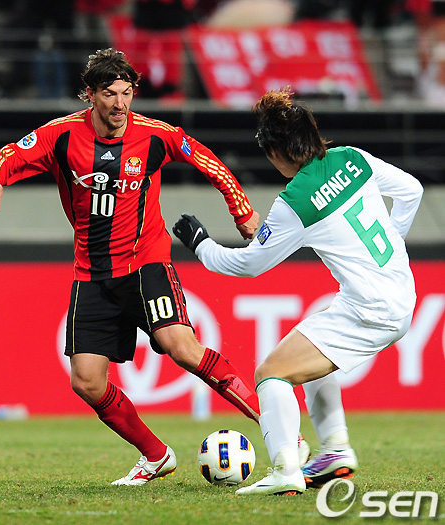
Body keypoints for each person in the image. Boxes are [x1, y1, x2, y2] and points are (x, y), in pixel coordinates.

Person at [0, 48, 267, 486]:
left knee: (180, 346)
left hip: (145, 261)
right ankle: (156, 456)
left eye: (126, 93)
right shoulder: (60, 136)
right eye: (109, 94)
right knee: (86, 382)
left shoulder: (155, 135)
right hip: (91, 272)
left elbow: (210, 162)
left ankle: (280, 431)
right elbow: (8, 155)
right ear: (89, 95)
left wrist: (241, 210)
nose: (119, 103)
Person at [173, 86, 423, 495]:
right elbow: (411, 190)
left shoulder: (295, 202)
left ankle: (286, 469)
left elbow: (249, 265)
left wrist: (201, 245)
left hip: (371, 309)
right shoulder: (352, 158)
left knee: (270, 374)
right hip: (398, 293)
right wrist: (394, 242)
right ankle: (335, 450)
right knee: (311, 347)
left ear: (277, 152)